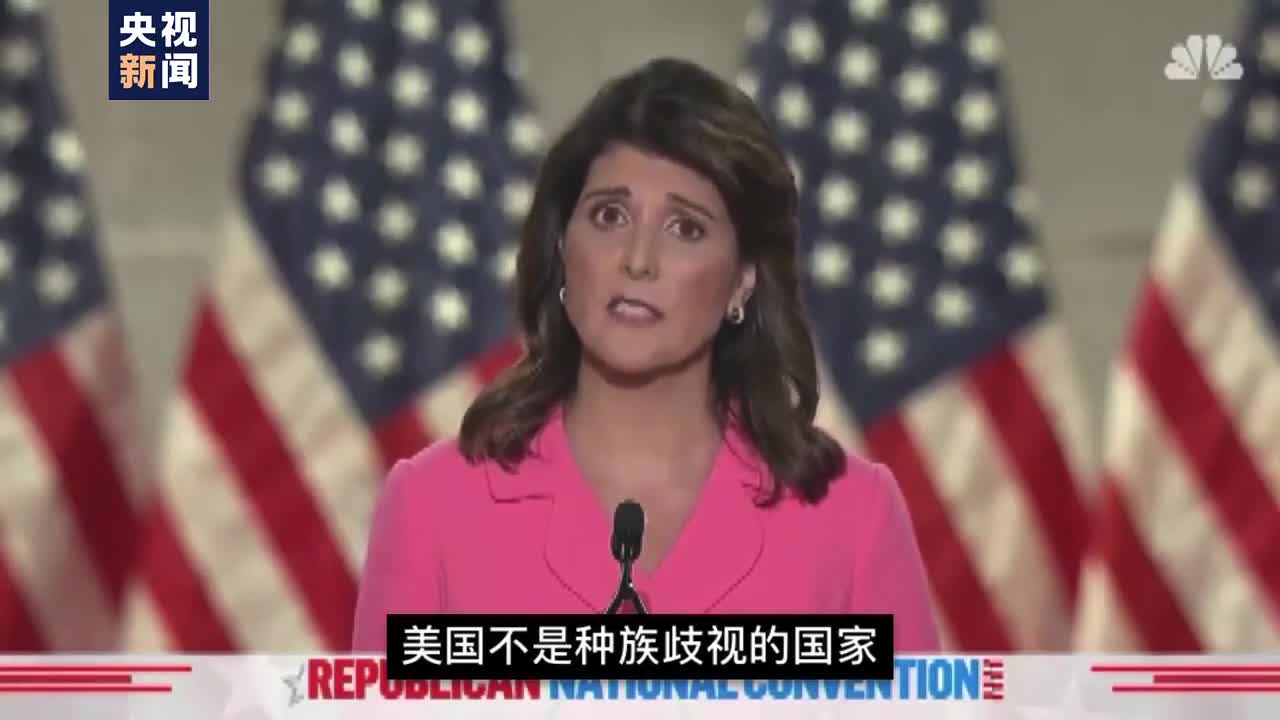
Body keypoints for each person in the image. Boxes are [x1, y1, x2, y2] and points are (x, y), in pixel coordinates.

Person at [351, 57, 940, 652]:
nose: (637, 260)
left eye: (686, 228)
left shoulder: (852, 518)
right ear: (563, 248)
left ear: (742, 281)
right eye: (609, 215)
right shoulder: (431, 508)